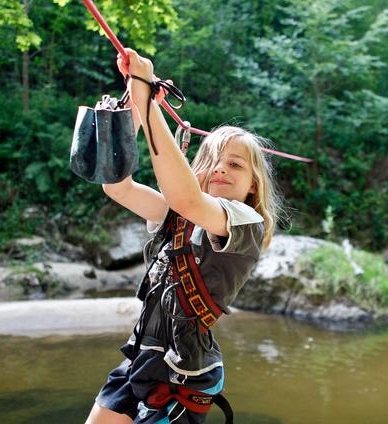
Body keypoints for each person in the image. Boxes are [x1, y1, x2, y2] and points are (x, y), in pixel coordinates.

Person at [85, 48, 279, 424]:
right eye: (210, 163)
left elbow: (186, 197)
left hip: (182, 371)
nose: (220, 169)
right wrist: (135, 101)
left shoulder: (244, 222)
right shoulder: (178, 215)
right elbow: (118, 187)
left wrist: (148, 98)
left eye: (235, 164)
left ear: (253, 186)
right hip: (143, 355)